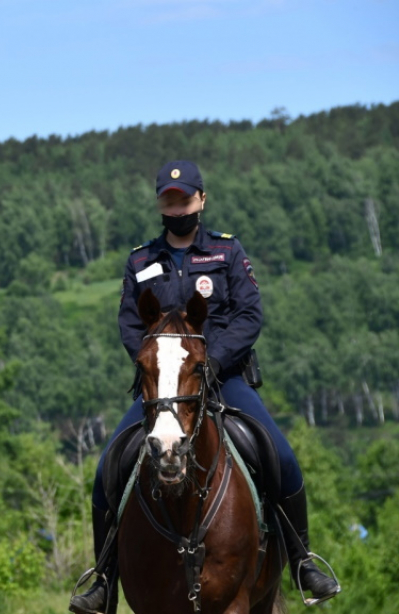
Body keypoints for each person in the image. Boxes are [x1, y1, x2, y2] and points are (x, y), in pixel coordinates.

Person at [69, 160, 340, 614]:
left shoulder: (227, 253)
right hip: (162, 388)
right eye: (168, 200)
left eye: (185, 199)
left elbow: (249, 315)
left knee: (281, 455)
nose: (177, 208)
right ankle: (104, 580)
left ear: (202, 200)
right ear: (159, 204)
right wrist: (159, 369)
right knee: (107, 467)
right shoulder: (140, 261)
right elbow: (128, 323)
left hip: (222, 379)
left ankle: (302, 561)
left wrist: (212, 361)